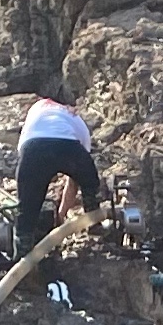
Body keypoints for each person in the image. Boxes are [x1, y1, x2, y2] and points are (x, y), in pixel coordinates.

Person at [14, 88, 103, 251]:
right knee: (90, 185)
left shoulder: (35, 111)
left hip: (33, 148)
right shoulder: (74, 118)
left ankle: (22, 253)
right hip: (68, 147)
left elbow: (23, 150)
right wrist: (61, 215)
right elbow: (77, 178)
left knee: (25, 212)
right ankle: (94, 223)